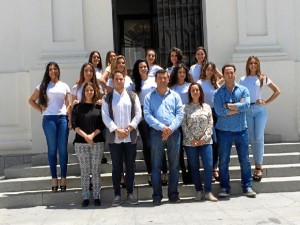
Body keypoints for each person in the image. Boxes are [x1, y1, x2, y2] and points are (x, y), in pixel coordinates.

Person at [214, 64, 256, 198]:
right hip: (224, 131)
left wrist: (228, 106)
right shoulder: (218, 93)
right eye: (227, 73)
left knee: (245, 160)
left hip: (241, 130)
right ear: (223, 75)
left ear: (235, 74)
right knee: (224, 160)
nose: (229, 75)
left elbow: (246, 105)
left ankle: (247, 186)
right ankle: (225, 188)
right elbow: (219, 111)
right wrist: (237, 107)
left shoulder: (243, 90)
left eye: (231, 72)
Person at [28, 62, 71, 192]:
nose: (53, 71)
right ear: (48, 71)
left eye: (55, 68)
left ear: (58, 70)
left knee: (63, 149)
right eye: (50, 69)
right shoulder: (42, 86)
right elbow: (31, 100)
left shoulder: (64, 86)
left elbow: (68, 104)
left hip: (62, 118)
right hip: (49, 119)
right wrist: (41, 109)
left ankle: (63, 178)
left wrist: (69, 118)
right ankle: (54, 178)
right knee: (52, 149)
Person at [102, 70, 142, 206]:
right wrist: (117, 130)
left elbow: (138, 114)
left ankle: (130, 193)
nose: (119, 81)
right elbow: (105, 116)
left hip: (130, 137)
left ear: (124, 81)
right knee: (116, 167)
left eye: (121, 79)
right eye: (117, 79)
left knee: (130, 166)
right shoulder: (107, 97)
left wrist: (129, 128)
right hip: (115, 138)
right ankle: (117, 195)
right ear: (113, 81)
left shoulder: (132, 96)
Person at [144, 69, 184, 205]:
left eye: (164, 78)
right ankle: (157, 196)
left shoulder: (175, 96)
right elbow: (147, 115)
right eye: (159, 78)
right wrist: (162, 128)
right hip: (156, 133)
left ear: (168, 79)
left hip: (173, 133)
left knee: (174, 165)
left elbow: (180, 114)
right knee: (156, 166)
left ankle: (173, 194)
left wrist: (170, 128)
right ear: (155, 80)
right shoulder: (149, 97)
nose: (162, 80)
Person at [239, 56, 280, 182]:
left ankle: (259, 167)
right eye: (251, 63)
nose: (253, 65)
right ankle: (249, 166)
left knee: (259, 137)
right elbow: (239, 94)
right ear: (248, 65)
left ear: (258, 65)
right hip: (247, 110)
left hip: (259, 110)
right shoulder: (242, 80)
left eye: (255, 63)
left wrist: (266, 102)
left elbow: (277, 91)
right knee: (251, 138)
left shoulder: (262, 78)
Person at [132, 59, 168, 187]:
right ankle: (151, 173)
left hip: (156, 112)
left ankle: (164, 171)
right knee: (147, 145)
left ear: (148, 68)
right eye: (140, 67)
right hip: (142, 114)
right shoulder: (134, 83)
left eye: (145, 66)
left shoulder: (154, 79)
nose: (143, 68)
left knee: (158, 142)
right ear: (137, 69)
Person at [182, 83, 217, 202]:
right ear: (190, 93)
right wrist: (192, 138)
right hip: (190, 142)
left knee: (208, 165)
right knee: (194, 167)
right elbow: (184, 125)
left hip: (206, 142)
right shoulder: (185, 107)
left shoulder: (206, 107)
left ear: (200, 92)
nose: (195, 92)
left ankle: (208, 191)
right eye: (193, 90)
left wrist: (204, 138)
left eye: (197, 90)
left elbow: (210, 124)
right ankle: (198, 191)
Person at [72, 82, 105, 207]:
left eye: (92, 90)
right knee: (85, 171)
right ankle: (85, 196)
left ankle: (96, 196)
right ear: (83, 92)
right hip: (81, 143)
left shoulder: (98, 107)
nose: (89, 92)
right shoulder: (77, 107)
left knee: (95, 170)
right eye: (87, 90)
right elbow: (75, 125)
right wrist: (86, 136)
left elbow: (102, 125)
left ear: (95, 92)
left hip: (97, 142)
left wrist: (92, 136)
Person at [197, 62, 223, 182]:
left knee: (217, 142)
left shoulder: (216, 84)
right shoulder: (199, 83)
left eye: (212, 70)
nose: (210, 72)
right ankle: (210, 168)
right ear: (204, 70)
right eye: (208, 69)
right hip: (205, 114)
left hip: (216, 113)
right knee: (212, 141)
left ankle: (215, 168)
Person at [169, 64, 193, 184]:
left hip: (188, 120)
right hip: (176, 121)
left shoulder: (190, 86)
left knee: (189, 147)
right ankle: (183, 172)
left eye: (184, 72)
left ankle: (191, 173)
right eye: (179, 72)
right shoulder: (172, 88)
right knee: (179, 150)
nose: (181, 74)